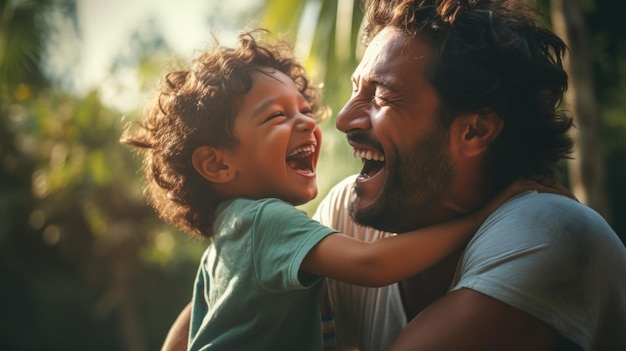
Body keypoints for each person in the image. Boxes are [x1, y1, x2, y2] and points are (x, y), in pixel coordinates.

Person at [122, 29, 556, 350]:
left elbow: (183, 337)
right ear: (218, 162)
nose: (309, 123)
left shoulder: (229, 236)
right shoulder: (264, 222)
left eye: (305, 109)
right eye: (276, 116)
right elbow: (374, 263)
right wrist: (485, 215)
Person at [312, 0, 626, 350]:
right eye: (357, 90)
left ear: (474, 131)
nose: (342, 120)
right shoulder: (351, 218)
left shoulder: (547, 227)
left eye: (381, 95)